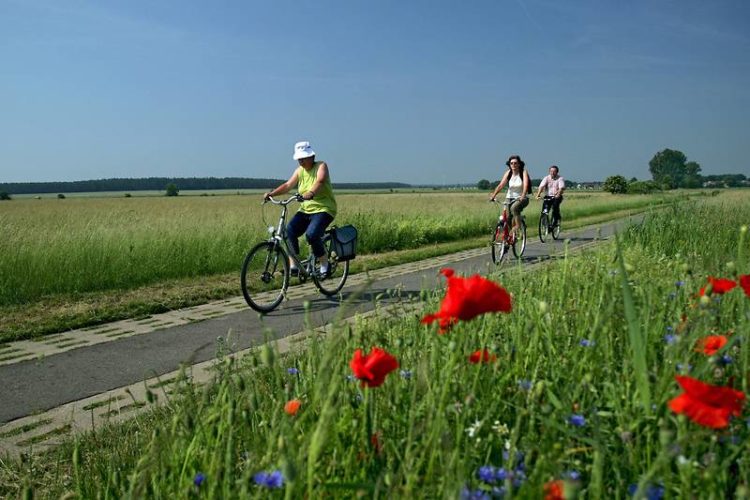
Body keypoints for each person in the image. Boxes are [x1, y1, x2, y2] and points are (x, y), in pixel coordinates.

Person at [263, 141, 337, 277]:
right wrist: (272, 194)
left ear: (311, 157)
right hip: (306, 210)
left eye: (303, 158)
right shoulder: (299, 171)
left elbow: (320, 181)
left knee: (312, 234)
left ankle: (325, 264)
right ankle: (294, 266)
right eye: (299, 159)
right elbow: (288, 185)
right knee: (289, 231)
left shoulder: (321, 166)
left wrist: (311, 193)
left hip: (324, 209)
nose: (300, 161)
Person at [489, 154, 531, 235]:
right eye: (511, 163)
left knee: (514, 208)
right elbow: (501, 185)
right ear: (509, 164)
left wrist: (523, 195)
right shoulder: (508, 173)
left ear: (519, 164)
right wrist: (493, 195)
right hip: (509, 197)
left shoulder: (523, 172)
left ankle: (518, 226)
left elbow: (525, 185)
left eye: (515, 163)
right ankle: (509, 238)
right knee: (507, 218)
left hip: (522, 198)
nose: (513, 165)